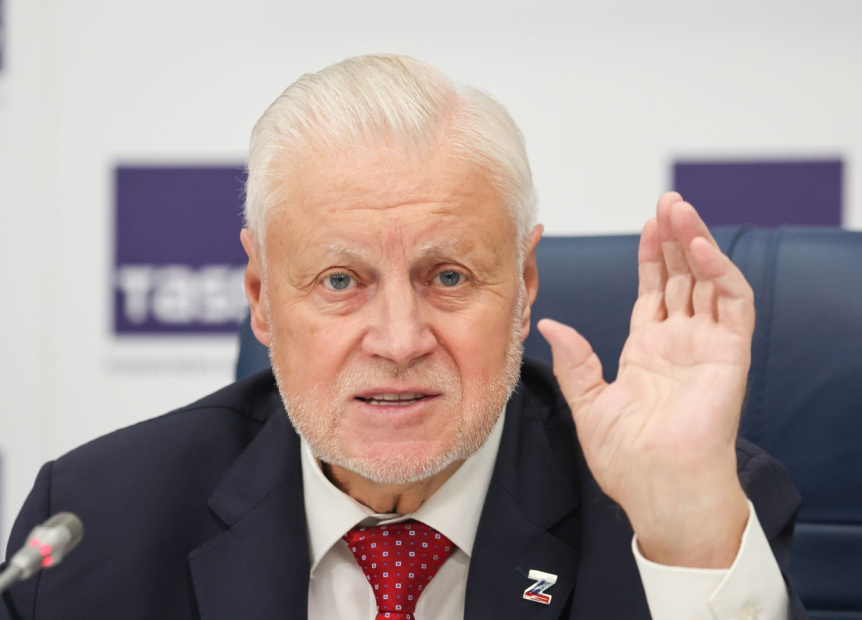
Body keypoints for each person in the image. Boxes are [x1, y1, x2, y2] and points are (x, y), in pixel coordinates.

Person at [1, 54, 803, 619]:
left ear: (523, 284)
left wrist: (687, 541)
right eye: (340, 282)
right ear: (262, 298)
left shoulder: (685, 511)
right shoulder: (93, 527)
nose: (398, 340)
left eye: (447, 276)